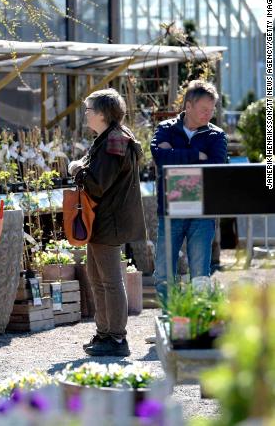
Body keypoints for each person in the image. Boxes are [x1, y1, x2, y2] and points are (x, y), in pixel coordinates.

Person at [68, 89, 146, 357]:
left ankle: (115, 338)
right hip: (103, 220)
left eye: (89, 109)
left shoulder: (115, 140)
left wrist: (78, 170)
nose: (86, 114)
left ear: (102, 113)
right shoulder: (111, 137)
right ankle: (105, 333)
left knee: (110, 280)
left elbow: (98, 184)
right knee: (98, 277)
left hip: (108, 220)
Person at [151, 80, 227, 301]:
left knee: (200, 276)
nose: (209, 114)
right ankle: (169, 320)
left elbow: (215, 167)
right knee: (163, 273)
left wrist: (177, 154)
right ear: (189, 106)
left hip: (202, 212)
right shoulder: (165, 129)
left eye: (212, 109)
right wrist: (197, 155)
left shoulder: (217, 136)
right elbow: (161, 159)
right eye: (204, 109)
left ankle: (198, 325)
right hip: (170, 210)